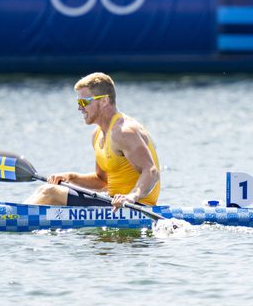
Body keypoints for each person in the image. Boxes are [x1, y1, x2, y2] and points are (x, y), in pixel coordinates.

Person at [25, 72, 161, 211]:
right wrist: (69, 177)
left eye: (84, 102)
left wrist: (132, 197)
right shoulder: (97, 134)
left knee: (50, 193)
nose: (79, 108)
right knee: (47, 189)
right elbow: (102, 181)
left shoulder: (124, 131)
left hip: (135, 206)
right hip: (113, 202)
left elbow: (151, 172)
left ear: (104, 101)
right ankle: (19, 214)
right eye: (79, 102)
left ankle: (12, 217)